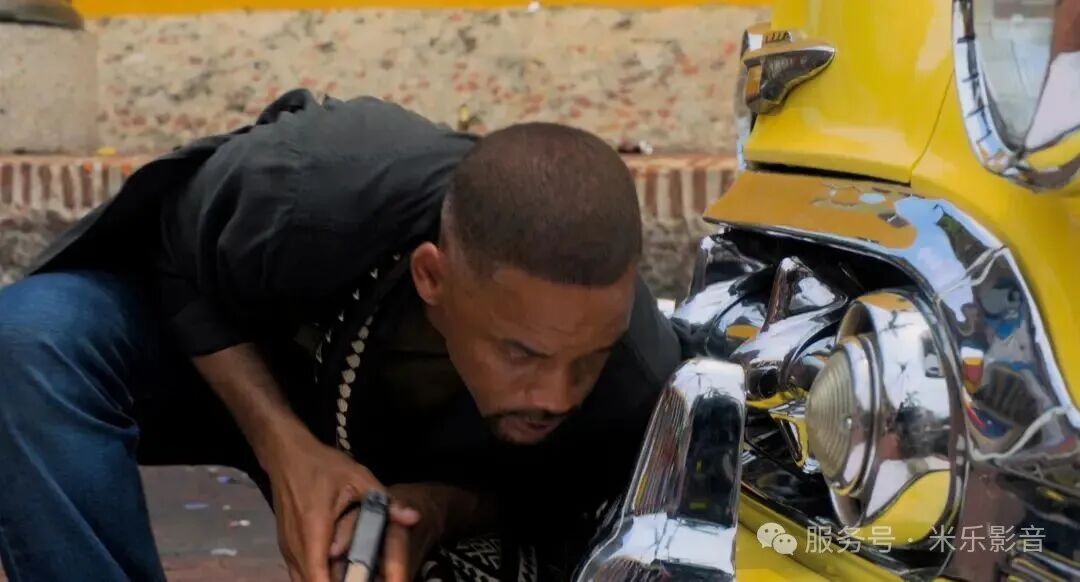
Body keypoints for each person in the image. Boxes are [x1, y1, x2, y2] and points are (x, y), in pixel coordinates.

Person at [0, 90, 682, 582]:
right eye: (522, 353)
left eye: (587, 360)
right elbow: (176, 249)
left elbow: (564, 500)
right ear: (432, 276)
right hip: (234, 360)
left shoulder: (637, 381)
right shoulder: (307, 186)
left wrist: (437, 510)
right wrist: (285, 447)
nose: (558, 396)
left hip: (433, 461)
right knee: (33, 338)